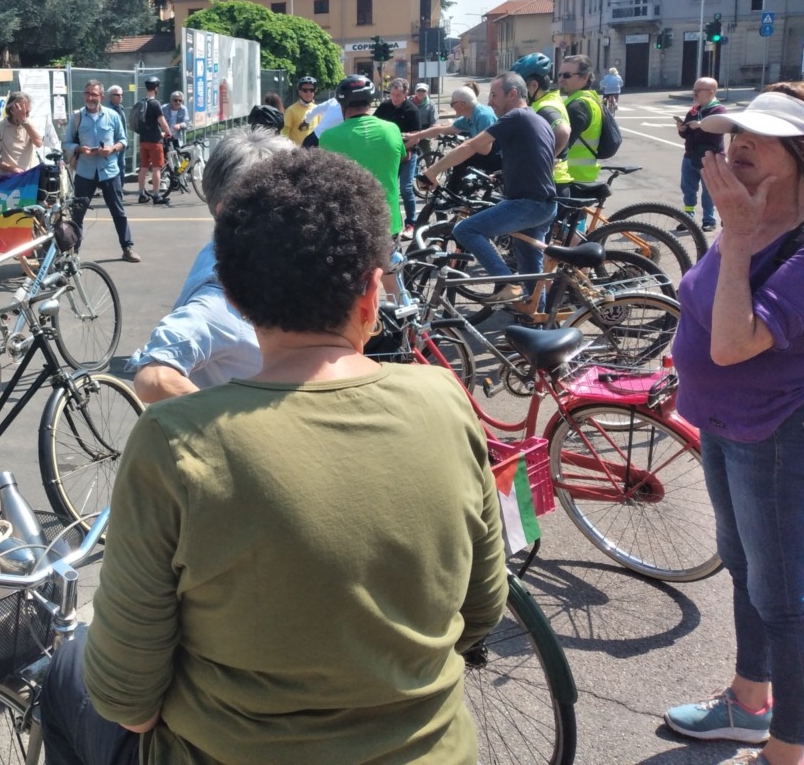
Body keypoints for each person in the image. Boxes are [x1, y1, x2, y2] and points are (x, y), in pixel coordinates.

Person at [41, 149, 508, 765]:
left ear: (232, 291)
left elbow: (125, 695)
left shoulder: (176, 440)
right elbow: (481, 611)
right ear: (372, 291)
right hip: (436, 750)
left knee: (62, 678)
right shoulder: (445, 401)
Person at [664, 84, 804, 765]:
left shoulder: (788, 243)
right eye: (733, 134)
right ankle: (749, 705)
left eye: (758, 137)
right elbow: (702, 304)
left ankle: (786, 751)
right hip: (726, 425)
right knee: (745, 572)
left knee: (785, 601)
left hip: (775, 436)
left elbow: (730, 344)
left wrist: (740, 237)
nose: (737, 145)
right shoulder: (748, 219)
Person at [129, 128, 293, 403]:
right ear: (230, 211)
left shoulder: (235, 253)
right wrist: (227, 421)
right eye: (280, 203)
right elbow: (154, 378)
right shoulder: (221, 295)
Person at [421, 71, 558, 303]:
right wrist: (503, 173)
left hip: (527, 203)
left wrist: (432, 171)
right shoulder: (537, 119)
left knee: (465, 230)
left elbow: (471, 146)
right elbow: (537, 158)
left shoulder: (516, 117)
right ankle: (538, 320)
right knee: (530, 267)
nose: (490, 101)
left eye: (494, 95)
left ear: (512, 94)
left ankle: (506, 282)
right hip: (544, 205)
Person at [318, 74, 405, 239]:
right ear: (370, 102)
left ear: (342, 105)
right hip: (387, 222)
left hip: (348, 224)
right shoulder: (392, 129)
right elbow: (400, 158)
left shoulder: (328, 137)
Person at [63, 79, 139, 263]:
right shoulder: (77, 117)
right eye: (87, 93)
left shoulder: (112, 116)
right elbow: (66, 143)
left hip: (109, 171)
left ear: (101, 97)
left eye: (94, 94)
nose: (90, 97)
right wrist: (80, 149)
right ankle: (74, 253)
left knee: (118, 212)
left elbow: (124, 140)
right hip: (85, 172)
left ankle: (127, 248)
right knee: (78, 214)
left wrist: (112, 149)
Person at [403, 86, 499, 192]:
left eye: (452, 104)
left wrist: (465, 144)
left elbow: (486, 150)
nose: (452, 107)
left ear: (462, 104)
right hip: (487, 156)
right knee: (461, 159)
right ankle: (451, 191)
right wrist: (415, 136)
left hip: (499, 158)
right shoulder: (469, 116)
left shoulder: (484, 116)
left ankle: (453, 193)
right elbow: (442, 130)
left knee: (463, 155)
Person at [676, 77, 725, 232]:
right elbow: (686, 135)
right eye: (694, 90)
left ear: (710, 92)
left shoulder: (719, 111)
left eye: (698, 91)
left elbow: (718, 130)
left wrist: (700, 126)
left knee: (709, 191)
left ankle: (709, 220)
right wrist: (682, 130)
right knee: (688, 189)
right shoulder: (694, 110)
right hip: (690, 156)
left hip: (709, 157)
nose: (694, 94)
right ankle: (688, 217)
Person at [375, 77, 420, 231]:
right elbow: (375, 125)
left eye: (398, 95)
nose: (394, 98)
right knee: (388, 188)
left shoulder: (412, 110)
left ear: (405, 94)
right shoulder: (384, 106)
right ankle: (391, 222)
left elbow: (416, 138)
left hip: (407, 154)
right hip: (389, 155)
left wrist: (401, 150)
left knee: (406, 188)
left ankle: (411, 222)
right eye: (392, 94)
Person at [511, 53, 572, 165]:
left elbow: (563, 131)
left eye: (521, 89)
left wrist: (542, 162)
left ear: (534, 85)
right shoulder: (548, 100)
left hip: (552, 179)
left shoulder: (545, 107)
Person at [555, 54, 605, 185]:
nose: (561, 79)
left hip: (571, 178)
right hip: (583, 176)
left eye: (567, 75)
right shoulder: (590, 99)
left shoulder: (578, 107)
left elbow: (560, 145)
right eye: (559, 75)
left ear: (585, 78)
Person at [135, 76, 171, 204]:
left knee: (143, 168)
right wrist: (168, 132)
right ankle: (156, 195)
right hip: (155, 141)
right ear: (156, 88)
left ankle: (141, 194)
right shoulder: (155, 103)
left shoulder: (143, 102)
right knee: (156, 168)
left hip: (143, 140)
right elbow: (162, 121)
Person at [0, 90, 44, 174]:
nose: (25, 115)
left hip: (30, 176)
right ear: (12, 110)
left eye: (27, 112)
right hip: (9, 178)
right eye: (22, 111)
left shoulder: (30, 123)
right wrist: (12, 169)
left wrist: (24, 122)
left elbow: (39, 143)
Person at [281, 75, 317, 146]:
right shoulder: (291, 111)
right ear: (299, 92)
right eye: (305, 90)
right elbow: (284, 135)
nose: (308, 93)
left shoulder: (317, 109)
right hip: (297, 153)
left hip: (313, 153)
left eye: (311, 90)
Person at [412, 82, 437, 157]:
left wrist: (426, 134)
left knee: (428, 157)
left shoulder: (431, 105)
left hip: (425, 134)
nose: (421, 92)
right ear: (415, 92)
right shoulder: (409, 102)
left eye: (423, 91)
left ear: (427, 93)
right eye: (419, 90)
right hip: (411, 134)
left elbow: (434, 122)